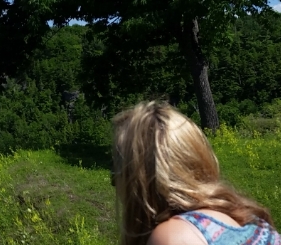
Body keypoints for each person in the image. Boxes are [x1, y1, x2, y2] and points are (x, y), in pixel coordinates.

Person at [112, 101, 280, 244]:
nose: (114, 180)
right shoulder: (245, 217)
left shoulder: (173, 237)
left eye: (117, 171)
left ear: (138, 180)